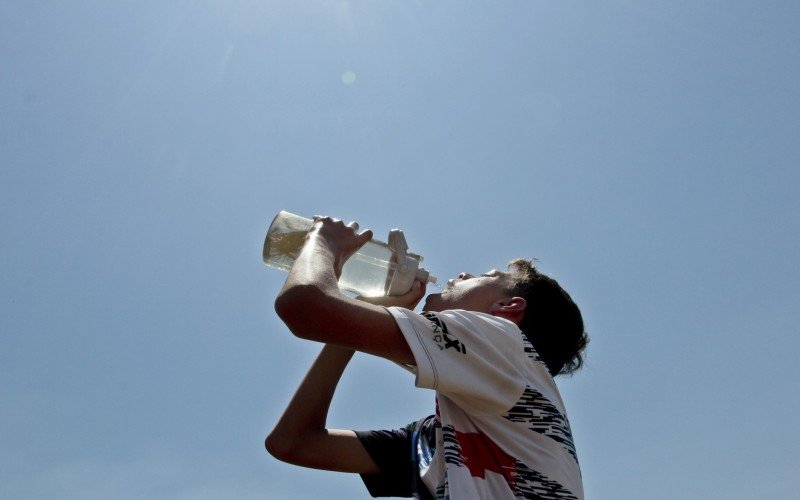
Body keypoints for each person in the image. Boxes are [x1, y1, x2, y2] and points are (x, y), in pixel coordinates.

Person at [266, 217, 588, 499]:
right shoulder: (437, 441)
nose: (462, 273)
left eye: (486, 276)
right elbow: (294, 442)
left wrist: (322, 241)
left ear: (507, 309)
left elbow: (303, 305)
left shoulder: (504, 342)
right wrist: (350, 328)